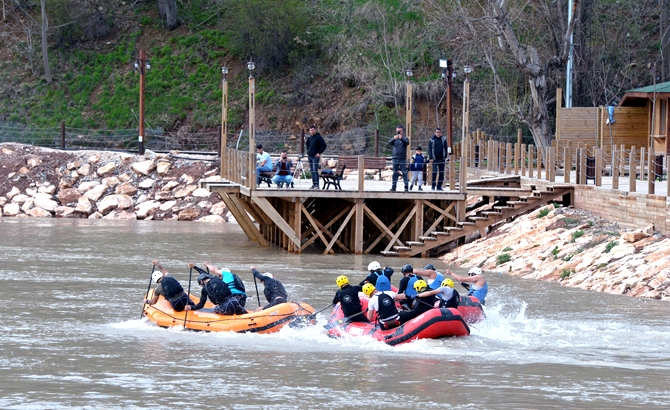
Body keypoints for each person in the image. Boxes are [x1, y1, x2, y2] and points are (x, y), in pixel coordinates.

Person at [387, 125, 409, 192]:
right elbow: (389, 143)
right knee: (395, 172)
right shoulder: (394, 138)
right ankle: (393, 187)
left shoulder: (405, 138)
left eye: (400, 130)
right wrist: (394, 138)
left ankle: (406, 187)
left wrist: (401, 138)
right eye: (398, 130)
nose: (399, 132)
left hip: (402, 158)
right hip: (395, 158)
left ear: (402, 131)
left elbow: (407, 142)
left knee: (404, 172)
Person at [306, 125, 327, 189]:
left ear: (315, 130)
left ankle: (317, 185)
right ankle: (313, 184)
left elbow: (324, 145)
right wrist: (308, 150)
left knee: (315, 171)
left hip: (315, 157)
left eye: (313, 130)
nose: (311, 131)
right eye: (310, 130)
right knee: (312, 171)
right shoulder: (310, 138)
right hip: (310, 156)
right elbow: (307, 144)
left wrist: (319, 153)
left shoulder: (318, 137)